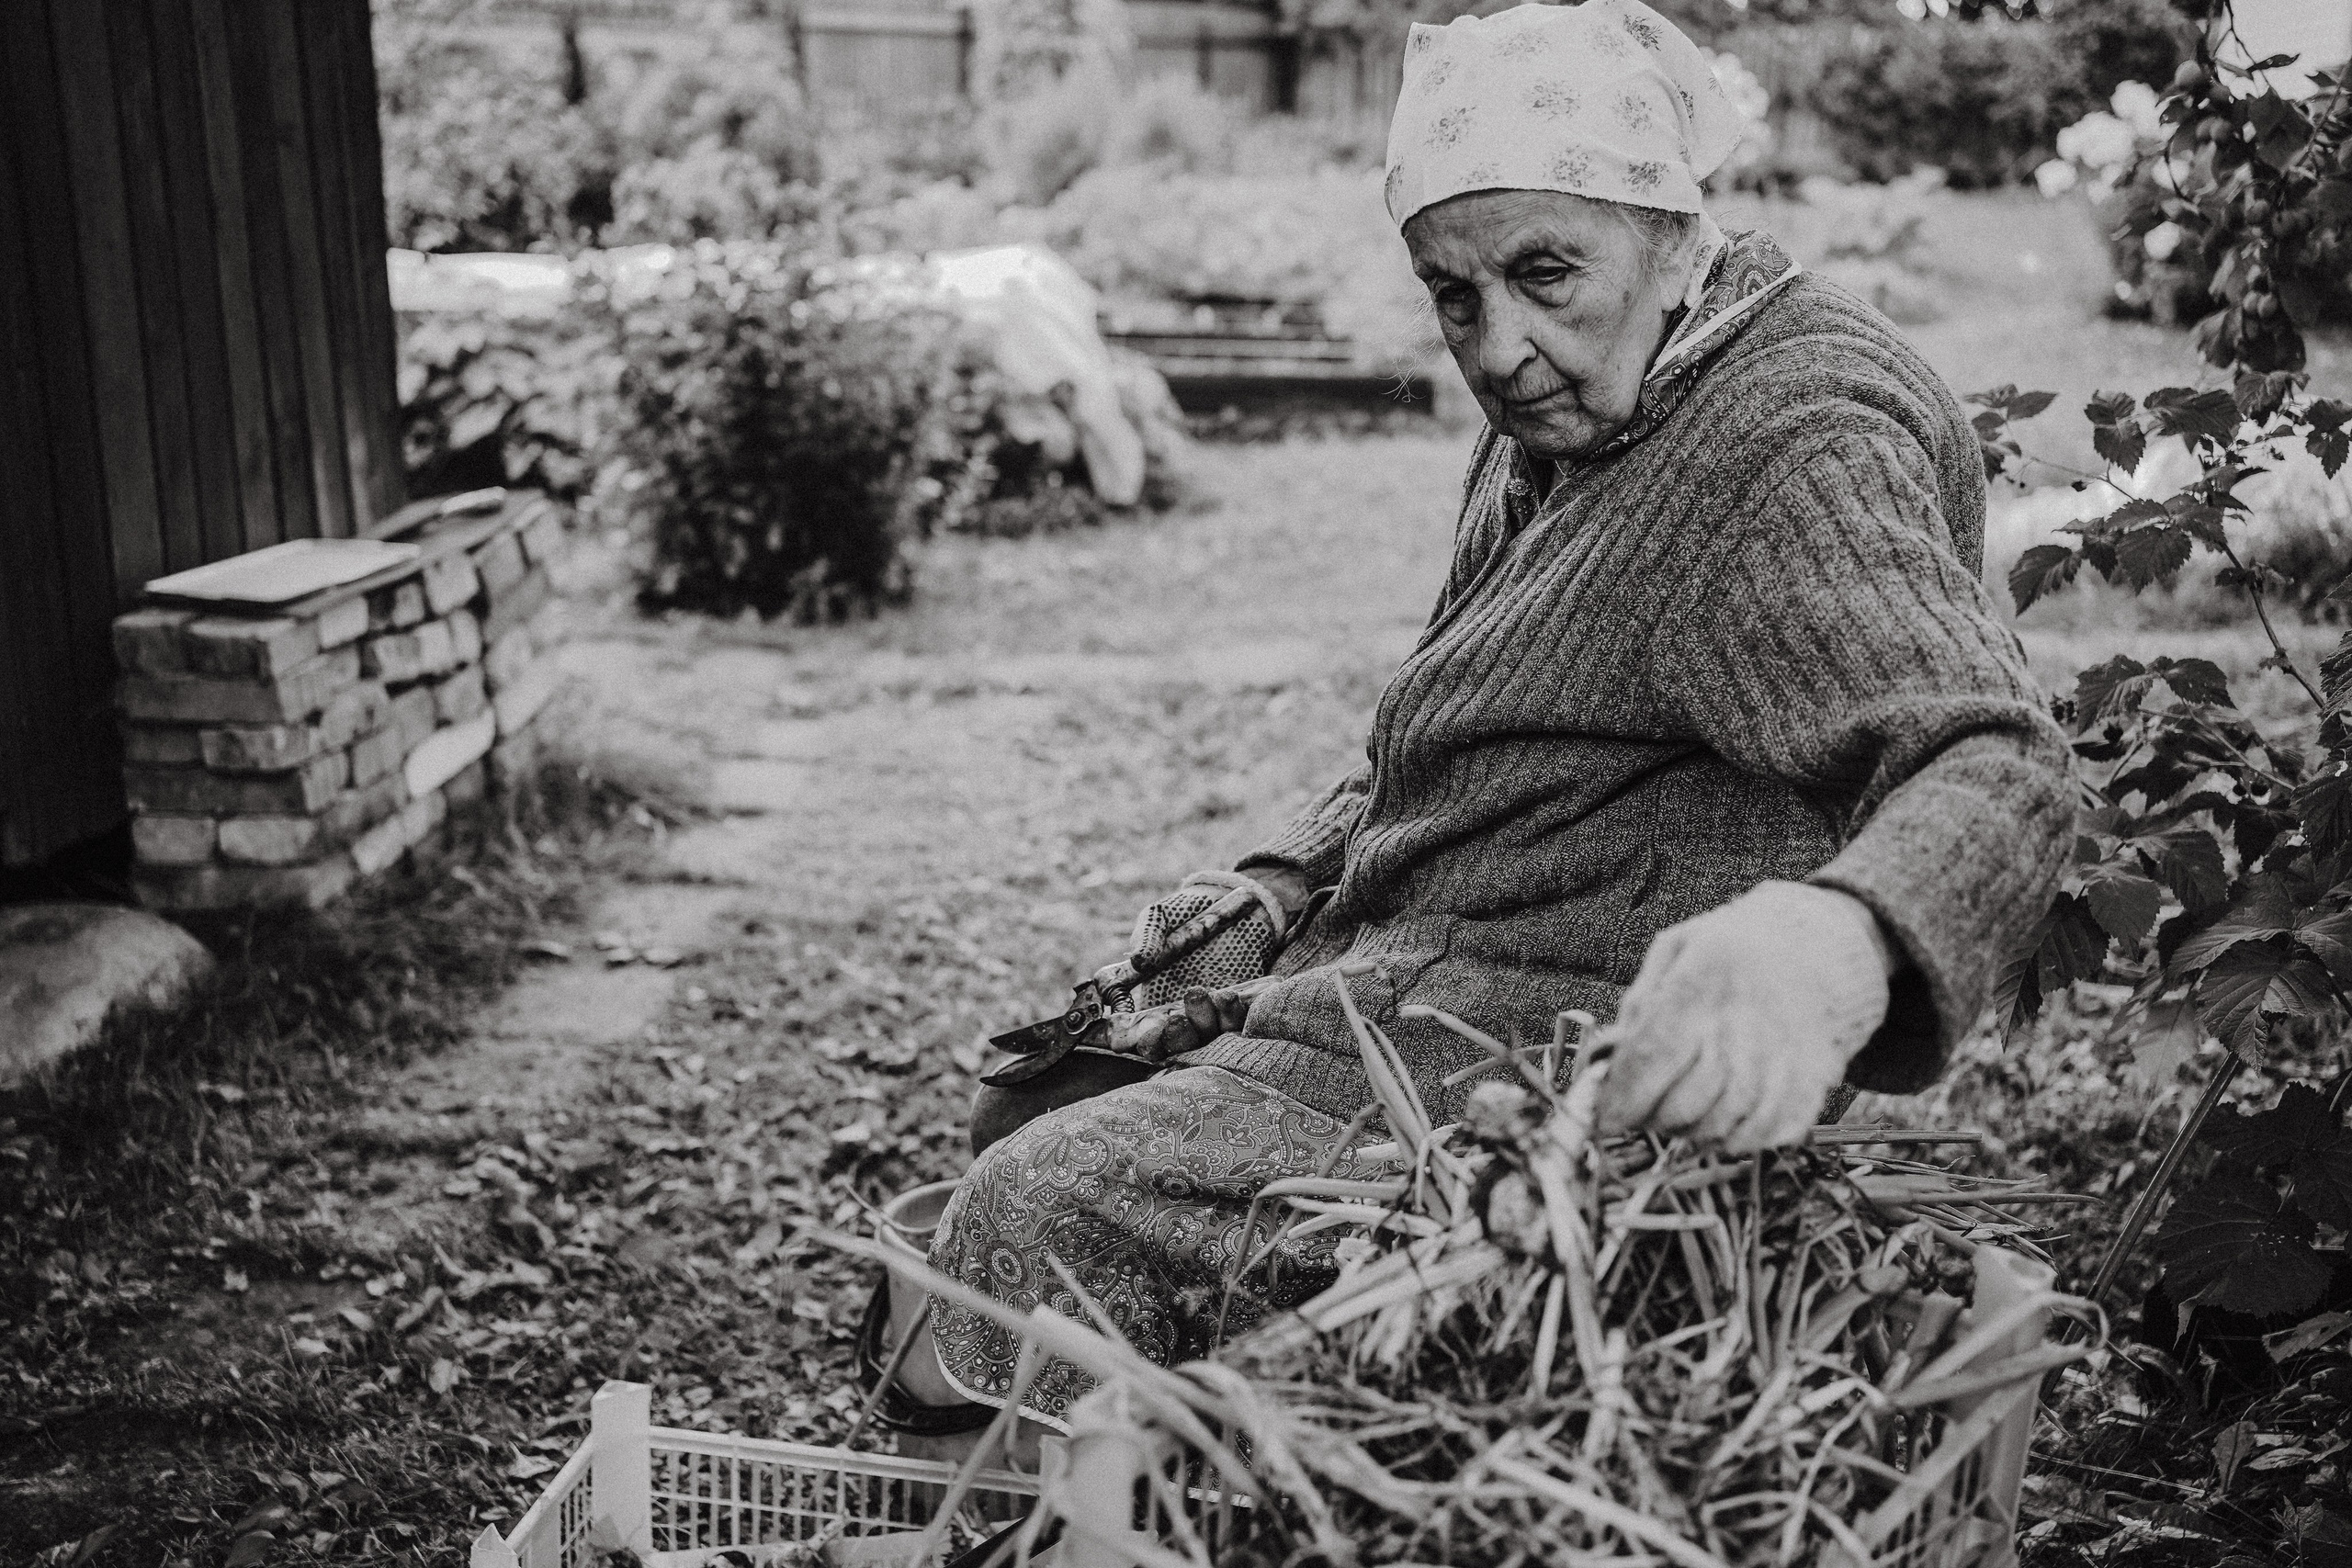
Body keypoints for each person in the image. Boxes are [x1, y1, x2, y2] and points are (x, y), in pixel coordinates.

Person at [895, 0, 2074, 1442]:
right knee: (1027, 1102)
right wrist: (1280, 879)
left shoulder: (1788, 449)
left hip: (1533, 1082)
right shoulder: (1589, 410)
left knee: (1033, 1199)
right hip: (1410, 983)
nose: (1501, 346)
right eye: (1456, 297)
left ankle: (1077, 1519)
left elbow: (1997, 759)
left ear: (1666, 229)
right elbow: (1456, 734)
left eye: (1544, 273)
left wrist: (1838, 938)